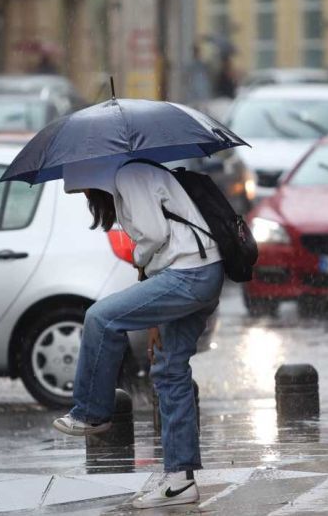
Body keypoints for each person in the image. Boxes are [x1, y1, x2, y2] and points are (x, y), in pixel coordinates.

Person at [52, 158, 224, 509]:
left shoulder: (130, 174)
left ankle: (91, 413)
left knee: (100, 318)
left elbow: (155, 237)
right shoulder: (132, 177)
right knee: (170, 369)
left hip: (190, 275)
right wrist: (157, 317)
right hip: (201, 272)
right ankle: (180, 480)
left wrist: (139, 259)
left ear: (92, 175)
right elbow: (168, 240)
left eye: (82, 187)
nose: (85, 194)